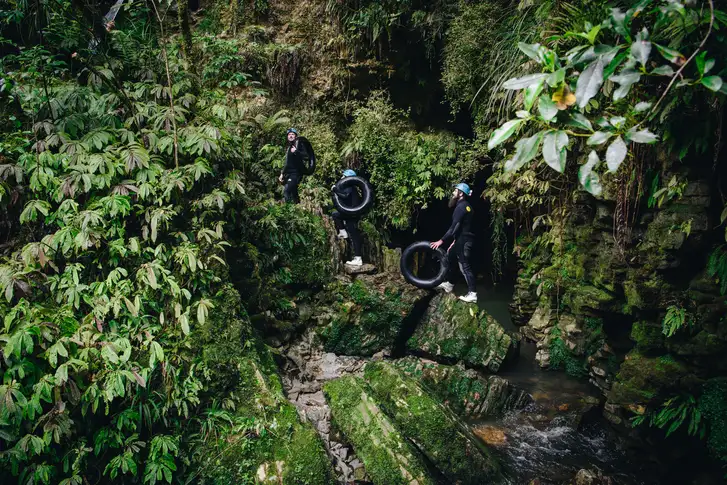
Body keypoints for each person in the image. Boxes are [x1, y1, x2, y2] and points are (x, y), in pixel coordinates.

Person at [430, 183, 477, 303]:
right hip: (462, 238)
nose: (453, 193)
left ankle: (472, 294)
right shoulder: (466, 206)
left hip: (464, 240)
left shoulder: (461, 207)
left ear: (461, 193)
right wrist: (455, 241)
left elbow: (453, 227)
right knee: (450, 257)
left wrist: (441, 240)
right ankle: (449, 284)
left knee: (464, 265)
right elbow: (463, 226)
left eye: (455, 191)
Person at [331, 169, 364, 267]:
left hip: (352, 214)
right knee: (336, 215)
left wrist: (335, 190)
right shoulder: (351, 188)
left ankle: (358, 258)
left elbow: (345, 196)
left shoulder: (350, 187)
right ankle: (343, 232)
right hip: (351, 214)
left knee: (354, 235)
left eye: (344, 176)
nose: (342, 177)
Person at [279, 128, 313, 204]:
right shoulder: (289, 148)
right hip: (288, 173)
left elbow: (307, 157)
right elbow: (287, 162)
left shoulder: (299, 145)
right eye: (289, 134)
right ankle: (297, 209)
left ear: (295, 136)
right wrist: (282, 173)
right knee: (294, 193)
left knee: (287, 191)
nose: (290, 136)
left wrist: (297, 152)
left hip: (296, 173)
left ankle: (288, 211)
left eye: (292, 134)